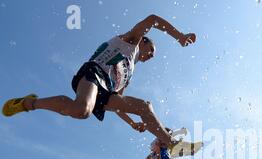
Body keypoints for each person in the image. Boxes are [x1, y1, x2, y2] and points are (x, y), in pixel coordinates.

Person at [2, 14, 197, 145]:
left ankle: (170, 144)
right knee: (82, 110)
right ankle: (29, 103)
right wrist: (179, 36)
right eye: (152, 51)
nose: (153, 56)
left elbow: (118, 104)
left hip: (107, 90)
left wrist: (132, 124)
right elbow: (153, 19)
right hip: (94, 73)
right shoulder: (131, 40)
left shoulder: (129, 72)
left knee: (144, 107)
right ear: (144, 42)